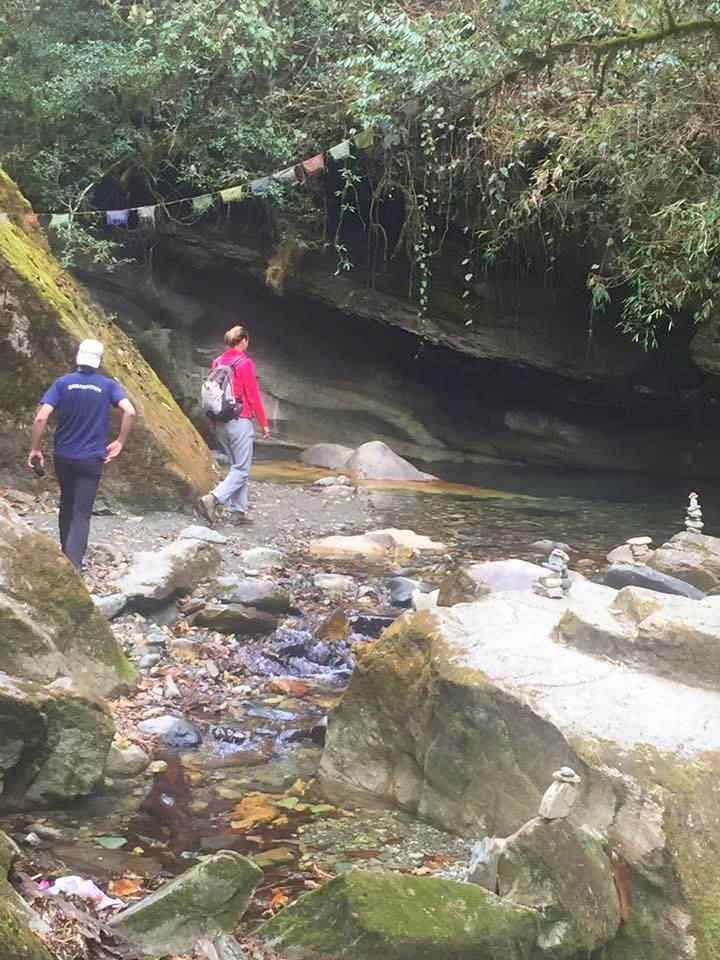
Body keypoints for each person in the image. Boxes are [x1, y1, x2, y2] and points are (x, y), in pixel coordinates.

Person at [28, 338, 136, 570]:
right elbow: (130, 412)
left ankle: (65, 553)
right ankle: (74, 565)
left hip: (64, 456)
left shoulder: (62, 383)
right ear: (99, 361)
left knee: (67, 501)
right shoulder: (107, 386)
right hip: (91, 458)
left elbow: (41, 417)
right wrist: (120, 441)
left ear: (78, 357)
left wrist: (35, 448)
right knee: (82, 512)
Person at [198, 325, 269, 524]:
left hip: (221, 421)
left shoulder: (218, 362)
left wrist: (213, 422)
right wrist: (263, 423)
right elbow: (253, 396)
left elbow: (213, 396)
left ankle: (238, 512)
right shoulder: (244, 364)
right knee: (241, 469)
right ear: (244, 341)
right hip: (239, 421)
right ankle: (213, 498)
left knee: (236, 467)